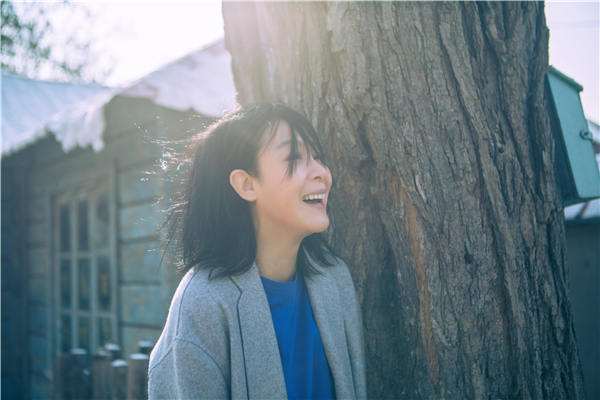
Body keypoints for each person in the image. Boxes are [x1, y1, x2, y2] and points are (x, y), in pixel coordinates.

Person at [147, 103, 367, 399]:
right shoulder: (202, 304)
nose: (322, 173)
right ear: (247, 184)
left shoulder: (334, 279)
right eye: (294, 157)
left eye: (318, 158)